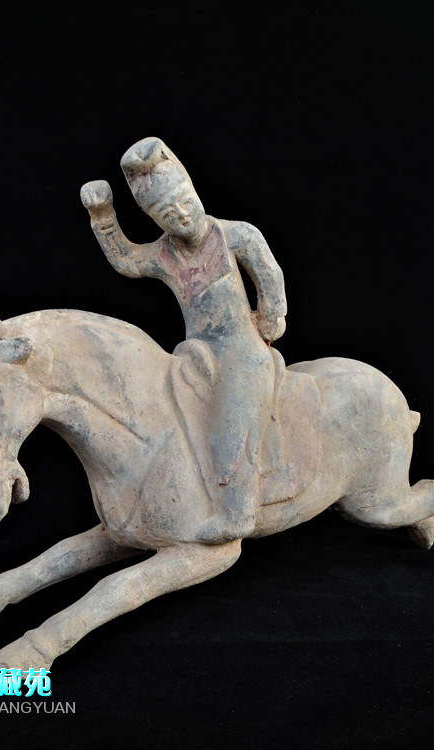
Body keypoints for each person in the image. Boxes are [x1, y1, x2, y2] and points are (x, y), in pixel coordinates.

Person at [80, 137, 286, 542]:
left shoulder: (236, 235)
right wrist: (102, 215)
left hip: (242, 353)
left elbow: (269, 274)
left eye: (186, 202)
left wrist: (272, 315)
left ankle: (238, 510)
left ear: (194, 192)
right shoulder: (163, 254)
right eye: (167, 214)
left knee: (236, 413)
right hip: (195, 356)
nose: (182, 215)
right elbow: (125, 259)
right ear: (156, 219)